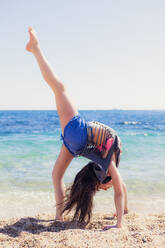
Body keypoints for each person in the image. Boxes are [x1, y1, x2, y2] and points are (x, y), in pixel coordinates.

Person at [26, 27, 128, 229]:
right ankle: (58, 216)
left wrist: (119, 225)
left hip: (79, 133)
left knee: (59, 88)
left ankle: (35, 49)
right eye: (105, 187)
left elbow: (120, 190)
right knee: (56, 175)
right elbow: (121, 188)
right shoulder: (108, 163)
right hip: (75, 144)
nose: (107, 188)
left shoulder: (108, 165)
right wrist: (124, 211)